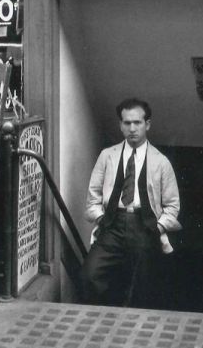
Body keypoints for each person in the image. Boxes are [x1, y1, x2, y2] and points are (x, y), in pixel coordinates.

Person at [80, 98, 181, 308]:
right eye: (127, 123)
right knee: (90, 275)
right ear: (120, 125)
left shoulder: (161, 162)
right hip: (112, 225)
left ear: (148, 124)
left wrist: (158, 226)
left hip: (145, 226)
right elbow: (92, 199)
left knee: (143, 286)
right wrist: (103, 218)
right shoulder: (107, 156)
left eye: (137, 122)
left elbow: (172, 207)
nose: (132, 128)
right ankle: (106, 319)